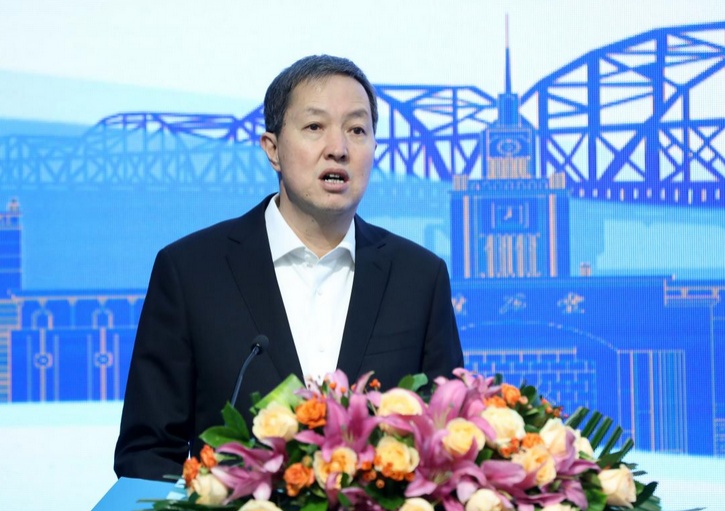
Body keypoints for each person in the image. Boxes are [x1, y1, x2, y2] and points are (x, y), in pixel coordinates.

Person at [114, 55, 463, 481]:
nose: (338, 148)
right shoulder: (191, 272)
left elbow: (448, 441)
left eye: (357, 130)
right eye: (315, 127)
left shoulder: (419, 277)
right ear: (273, 149)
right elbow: (148, 453)